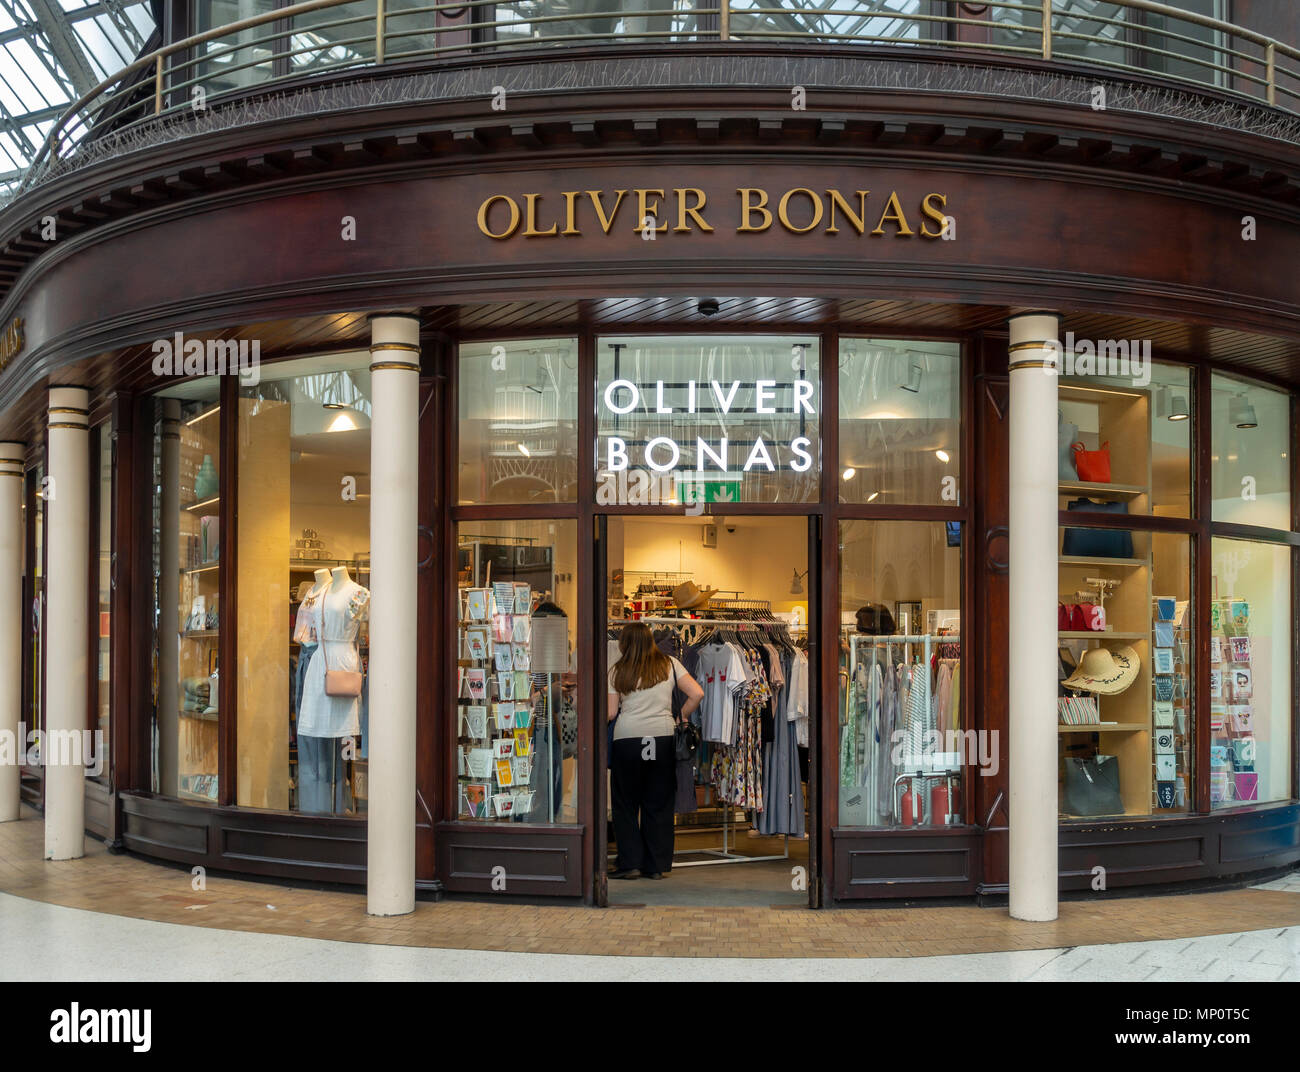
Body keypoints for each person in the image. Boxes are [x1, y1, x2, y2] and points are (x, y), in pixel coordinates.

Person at [607, 622, 703, 880]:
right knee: (658, 802)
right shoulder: (670, 664)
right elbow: (697, 693)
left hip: (627, 740)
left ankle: (630, 863)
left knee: (625, 804)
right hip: (661, 737)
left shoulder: (618, 670)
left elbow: (611, 712)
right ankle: (655, 865)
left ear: (624, 643)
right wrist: (680, 716)